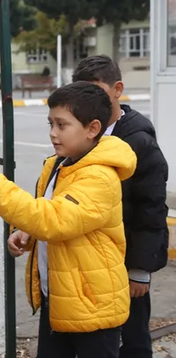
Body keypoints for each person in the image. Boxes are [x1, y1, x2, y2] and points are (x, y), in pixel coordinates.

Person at [0, 81, 137, 358]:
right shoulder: (61, 164)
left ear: (92, 128)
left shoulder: (99, 177)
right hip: (58, 299)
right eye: (50, 124)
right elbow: (52, 215)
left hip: (92, 308)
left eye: (62, 125)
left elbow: (54, 220)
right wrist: (28, 233)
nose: (53, 134)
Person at [72, 55, 169, 358]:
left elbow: (150, 208)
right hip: (95, 260)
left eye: (97, 91)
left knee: (134, 336)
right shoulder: (84, 133)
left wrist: (140, 269)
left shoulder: (138, 139)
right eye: (82, 92)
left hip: (127, 262)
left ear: (117, 89)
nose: (90, 100)